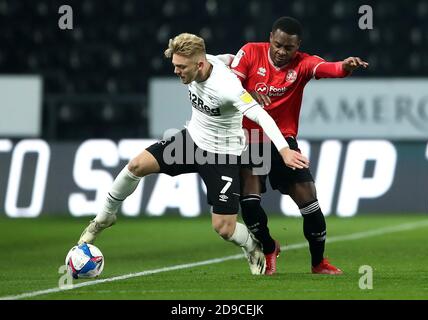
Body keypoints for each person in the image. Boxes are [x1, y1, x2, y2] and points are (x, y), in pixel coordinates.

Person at [77, 32, 310, 275]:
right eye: (175, 65)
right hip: (191, 141)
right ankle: (103, 219)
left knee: (224, 228)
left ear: (199, 64)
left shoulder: (226, 86)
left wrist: (284, 150)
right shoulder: (210, 60)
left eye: (181, 67)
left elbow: (261, 115)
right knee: (136, 166)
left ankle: (253, 246)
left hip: (222, 155)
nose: (176, 71)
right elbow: (233, 58)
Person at [229, 17, 369, 275]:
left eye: (289, 48)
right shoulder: (250, 52)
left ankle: (318, 263)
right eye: (278, 45)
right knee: (249, 205)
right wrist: (247, 95)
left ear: (298, 46)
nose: (282, 52)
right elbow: (228, 85)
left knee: (309, 202)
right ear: (270, 37)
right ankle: (270, 247)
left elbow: (330, 68)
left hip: (284, 143)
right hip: (249, 140)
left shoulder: (303, 64)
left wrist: (346, 66)